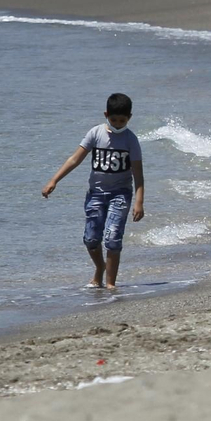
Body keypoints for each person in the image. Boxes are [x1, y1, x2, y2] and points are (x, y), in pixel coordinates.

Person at [40, 92, 145, 290]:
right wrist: (54, 180)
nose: (118, 123)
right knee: (91, 239)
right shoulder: (96, 133)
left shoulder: (131, 140)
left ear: (129, 118)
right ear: (106, 114)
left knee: (113, 237)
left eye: (122, 120)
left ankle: (111, 283)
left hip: (120, 194)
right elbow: (75, 159)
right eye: (114, 119)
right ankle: (100, 268)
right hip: (96, 194)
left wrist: (139, 201)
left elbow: (138, 173)